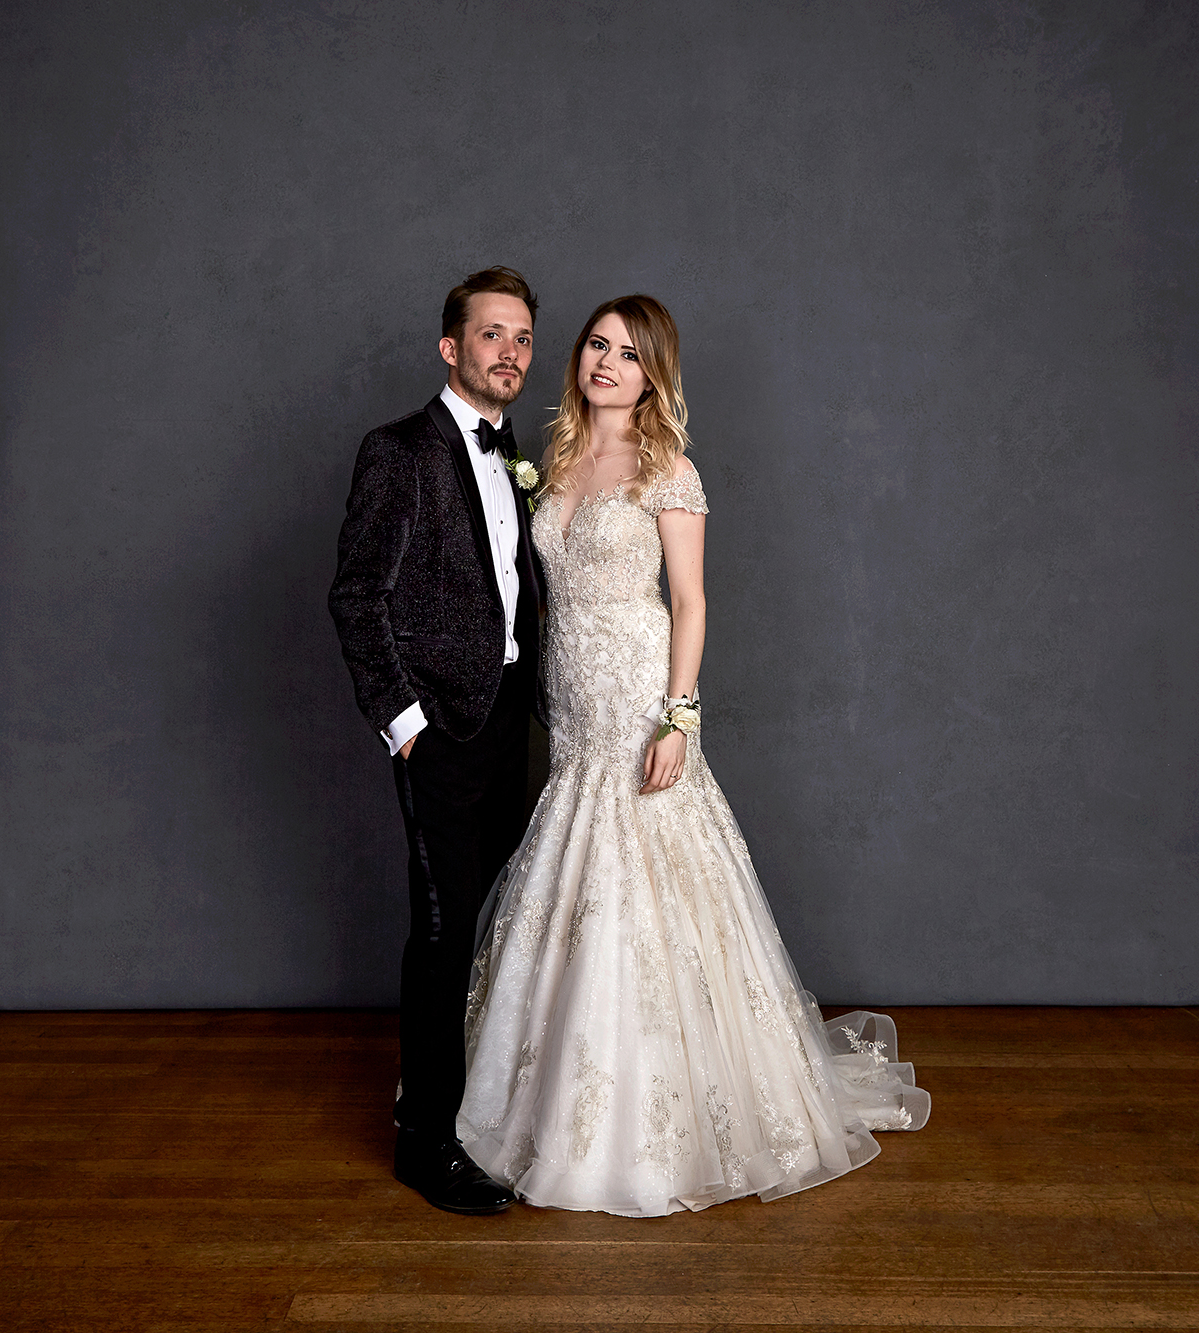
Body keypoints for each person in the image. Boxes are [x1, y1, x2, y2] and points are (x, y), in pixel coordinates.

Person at [458, 295, 929, 1217]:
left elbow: (692, 600)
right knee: (573, 874)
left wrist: (679, 716)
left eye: (629, 355)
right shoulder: (549, 461)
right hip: (573, 700)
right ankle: (538, 1090)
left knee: (645, 876)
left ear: (652, 374)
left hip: (638, 696)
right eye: (597, 345)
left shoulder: (667, 466)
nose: (606, 364)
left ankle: (645, 1117)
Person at [328, 267, 546, 1215]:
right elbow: (356, 593)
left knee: (490, 922)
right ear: (451, 347)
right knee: (443, 929)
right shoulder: (399, 450)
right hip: (438, 730)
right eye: (491, 334)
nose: (510, 352)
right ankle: (426, 1142)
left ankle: (463, 1095)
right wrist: (404, 722)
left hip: (510, 721)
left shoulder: (519, 453)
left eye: (524, 338)